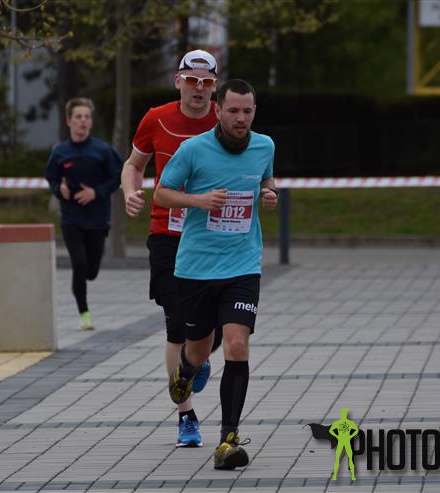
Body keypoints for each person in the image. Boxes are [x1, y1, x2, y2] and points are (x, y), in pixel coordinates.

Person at [155, 79, 278, 470]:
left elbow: (265, 178)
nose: (241, 118)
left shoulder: (265, 146)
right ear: (218, 111)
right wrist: (198, 200)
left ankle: (228, 439)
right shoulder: (193, 150)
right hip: (196, 268)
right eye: (234, 111)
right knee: (197, 348)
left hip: (243, 265)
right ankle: (185, 373)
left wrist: (270, 192)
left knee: (236, 344)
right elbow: (161, 193)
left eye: (248, 111)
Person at [121, 50, 221, 448]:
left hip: (212, 234)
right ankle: (186, 416)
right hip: (167, 234)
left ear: (214, 87)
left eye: (206, 83)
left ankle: (199, 357)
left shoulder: (225, 120)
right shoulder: (156, 118)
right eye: (192, 80)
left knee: (213, 326)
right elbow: (133, 165)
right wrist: (131, 192)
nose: (199, 89)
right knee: (177, 325)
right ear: (178, 81)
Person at [46, 97, 122, 331]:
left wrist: (96, 192)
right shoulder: (60, 152)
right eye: (78, 117)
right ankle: (84, 314)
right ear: (69, 121)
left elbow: (117, 177)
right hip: (71, 218)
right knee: (78, 263)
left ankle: (81, 284)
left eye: (87, 117)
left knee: (91, 270)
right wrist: (59, 189)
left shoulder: (103, 150)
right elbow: (52, 177)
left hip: (97, 218)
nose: (83, 121)